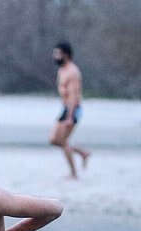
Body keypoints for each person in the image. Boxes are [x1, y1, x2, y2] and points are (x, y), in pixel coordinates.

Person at [49, 41, 90, 179]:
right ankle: (82, 153)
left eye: (57, 54)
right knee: (54, 140)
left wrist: (70, 117)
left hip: (73, 109)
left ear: (65, 55)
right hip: (65, 108)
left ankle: (73, 173)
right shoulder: (62, 70)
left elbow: (73, 95)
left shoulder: (73, 72)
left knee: (62, 140)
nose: (55, 56)